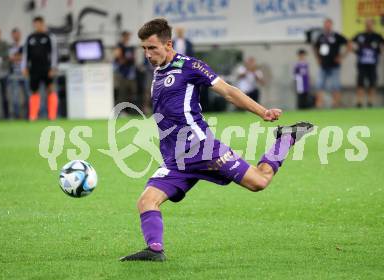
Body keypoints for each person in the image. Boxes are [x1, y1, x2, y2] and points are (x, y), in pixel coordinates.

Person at [119, 18, 314, 262]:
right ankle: (155, 250)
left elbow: (229, 92)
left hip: (203, 149)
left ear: (168, 44)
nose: (147, 54)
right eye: (144, 49)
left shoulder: (191, 66)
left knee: (259, 182)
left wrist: (262, 112)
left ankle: (285, 140)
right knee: (146, 201)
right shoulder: (159, 72)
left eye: (152, 48)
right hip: (175, 159)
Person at [22, 16, 58, 121]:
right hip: (34, 68)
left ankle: (52, 115)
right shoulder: (30, 37)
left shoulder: (49, 37)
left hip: (47, 68)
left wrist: (53, 67)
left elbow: (54, 53)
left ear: (42, 24)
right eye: (35, 24)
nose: (37, 26)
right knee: (34, 91)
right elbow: (25, 54)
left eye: (39, 23)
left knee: (50, 89)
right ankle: (33, 115)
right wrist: (24, 67)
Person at [313, 18, 351, 108]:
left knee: (335, 85)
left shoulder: (336, 36)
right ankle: (319, 104)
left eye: (329, 24)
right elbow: (315, 47)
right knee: (319, 84)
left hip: (334, 65)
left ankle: (336, 104)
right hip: (323, 64)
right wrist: (318, 58)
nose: (327, 26)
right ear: (324, 25)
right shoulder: (321, 36)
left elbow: (349, 45)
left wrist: (342, 57)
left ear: (331, 25)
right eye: (326, 24)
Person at [352, 19, 384, 108]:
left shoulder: (377, 36)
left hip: (372, 64)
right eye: (367, 24)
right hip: (362, 64)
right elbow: (350, 43)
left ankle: (370, 102)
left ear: (373, 25)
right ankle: (359, 102)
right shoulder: (360, 35)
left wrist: (381, 51)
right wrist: (355, 51)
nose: (369, 26)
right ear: (365, 25)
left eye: (370, 25)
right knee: (360, 83)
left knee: (372, 82)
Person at [9, 28, 29, 119]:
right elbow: (10, 58)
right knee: (15, 97)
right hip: (14, 74)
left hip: (24, 73)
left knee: (28, 95)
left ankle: (29, 115)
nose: (16, 36)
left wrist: (16, 57)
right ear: (12, 35)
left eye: (17, 34)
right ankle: (17, 116)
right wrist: (18, 57)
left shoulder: (24, 46)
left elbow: (25, 57)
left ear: (20, 35)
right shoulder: (10, 47)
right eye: (14, 34)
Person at [114, 31, 137, 111]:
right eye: (126, 36)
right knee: (121, 93)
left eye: (129, 37)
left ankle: (127, 110)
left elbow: (133, 59)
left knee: (130, 92)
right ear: (123, 37)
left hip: (130, 73)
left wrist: (131, 59)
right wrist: (127, 59)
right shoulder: (119, 46)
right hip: (122, 73)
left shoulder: (130, 47)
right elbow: (119, 59)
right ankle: (119, 111)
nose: (128, 38)